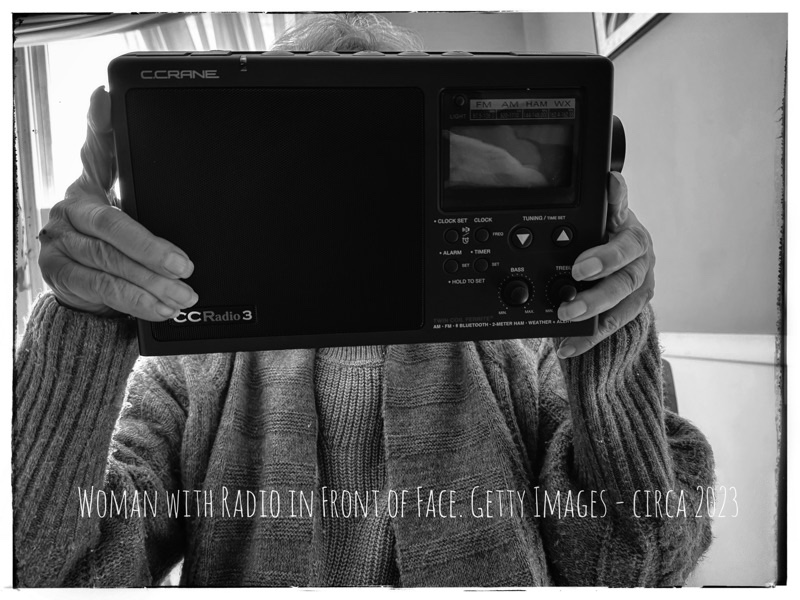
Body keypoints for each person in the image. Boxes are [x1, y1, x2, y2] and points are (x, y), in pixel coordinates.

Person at [13, 14, 714, 587]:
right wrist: (86, 319)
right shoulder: (189, 365)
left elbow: (636, 564)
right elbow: (39, 570)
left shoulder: (526, 345)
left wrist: (605, 334)